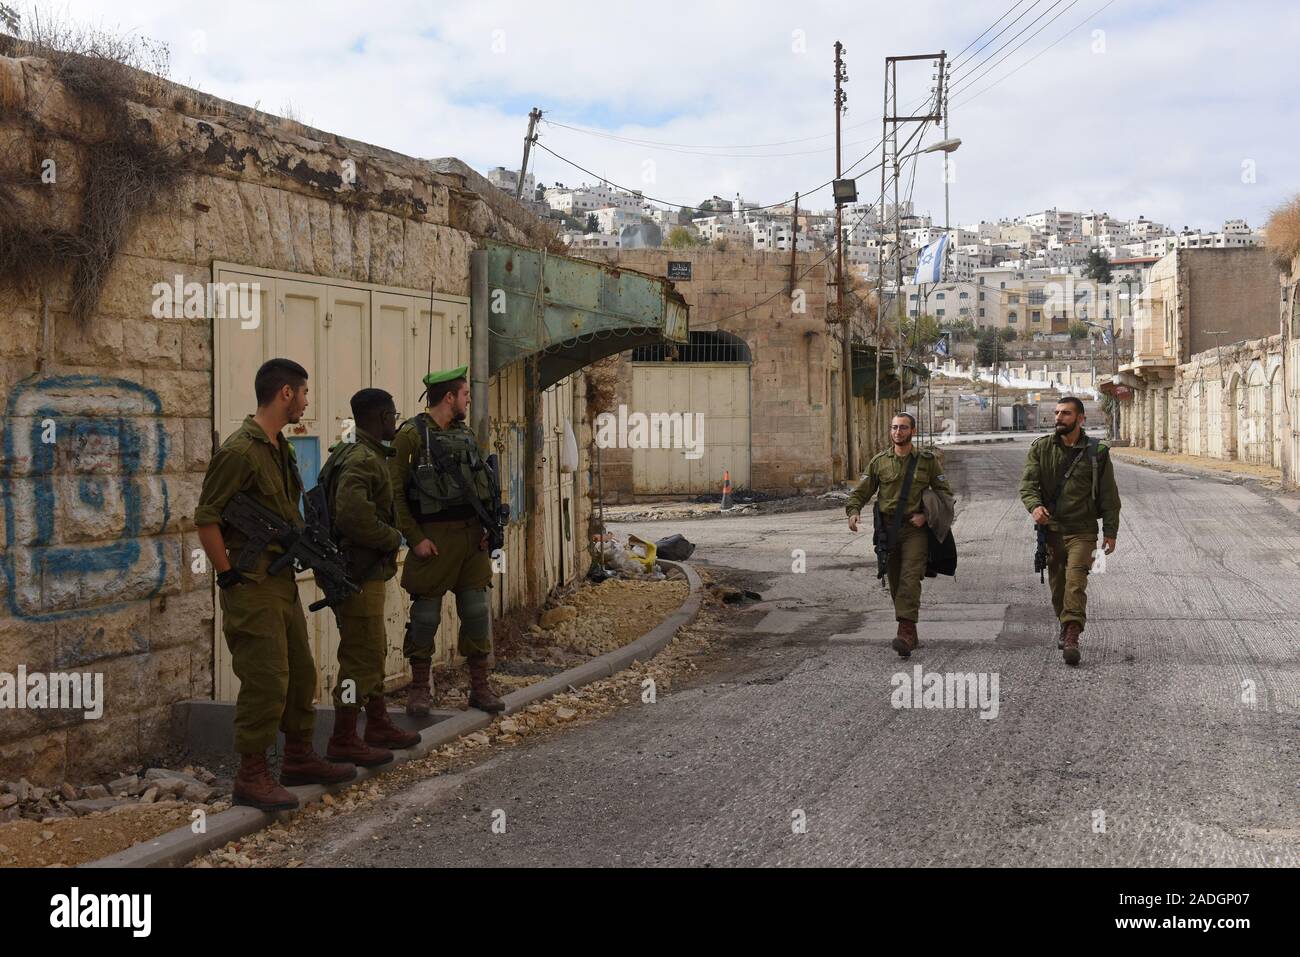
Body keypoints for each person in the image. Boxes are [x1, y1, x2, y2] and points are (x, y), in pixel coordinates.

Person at [195, 358, 355, 811]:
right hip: (252, 583)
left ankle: (300, 757)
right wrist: (228, 576)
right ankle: (252, 774)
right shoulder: (240, 451)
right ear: (285, 393)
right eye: (304, 393)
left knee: (300, 674)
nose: (307, 401)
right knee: (266, 679)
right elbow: (206, 518)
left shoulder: (278, 446)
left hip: (280, 581)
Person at [389, 366, 504, 715]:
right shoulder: (410, 436)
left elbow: (479, 482)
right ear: (449, 397)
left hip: (471, 538)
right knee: (425, 615)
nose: (469, 399)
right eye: (465, 394)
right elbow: (394, 493)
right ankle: (420, 689)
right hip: (433, 539)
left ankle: (480, 687)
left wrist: (487, 528)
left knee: (476, 610)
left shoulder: (465, 434)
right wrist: (415, 538)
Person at [319, 388, 422, 767]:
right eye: (393, 415)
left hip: (359, 572)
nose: (395, 421)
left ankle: (376, 723)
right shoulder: (363, 458)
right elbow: (351, 515)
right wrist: (393, 536)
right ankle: (344, 736)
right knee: (358, 659)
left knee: (370, 650)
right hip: (358, 574)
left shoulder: (353, 450)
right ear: (381, 417)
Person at [1018, 396, 1121, 665]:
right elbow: (1027, 486)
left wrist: (1110, 532)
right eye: (1057, 413)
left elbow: (1109, 496)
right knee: (1058, 586)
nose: (1059, 418)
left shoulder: (1096, 452)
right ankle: (1065, 624)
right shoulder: (1041, 449)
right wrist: (1035, 507)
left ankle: (1073, 632)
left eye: (1065, 413)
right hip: (1051, 531)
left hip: (1083, 531)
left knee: (1076, 581)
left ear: (1080, 418)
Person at [846, 412, 954, 657]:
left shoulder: (927, 461)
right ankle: (910, 629)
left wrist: (926, 516)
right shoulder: (879, 462)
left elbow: (945, 494)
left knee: (910, 576)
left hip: (915, 529)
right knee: (895, 580)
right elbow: (861, 491)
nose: (898, 432)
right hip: (887, 531)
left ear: (912, 431)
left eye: (903, 428)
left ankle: (904, 630)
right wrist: (853, 511)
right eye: (894, 428)